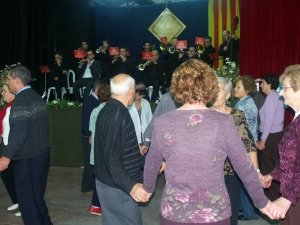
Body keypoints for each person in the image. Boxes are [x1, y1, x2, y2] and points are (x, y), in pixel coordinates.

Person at [141, 59, 282, 225]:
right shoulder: (223, 121)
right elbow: (244, 166)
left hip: (175, 211)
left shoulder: (163, 122)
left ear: (177, 86)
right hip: (214, 212)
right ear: (210, 86)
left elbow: (152, 165)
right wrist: (262, 203)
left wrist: (147, 189)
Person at [94, 74, 150, 225]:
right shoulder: (117, 115)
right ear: (131, 91)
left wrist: (151, 163)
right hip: (117, 188)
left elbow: (125, 150)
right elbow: (111, 158)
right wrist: (131, 187)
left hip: (112, 184)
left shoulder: (111, 109)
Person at [0, 66, 53, 225]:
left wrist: (6, 156)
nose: (6, 83)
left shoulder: (20, 102)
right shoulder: (37, 97)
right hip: (42, 156)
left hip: (27, 160)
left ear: (17, 81)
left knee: (28, 206)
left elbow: (19, 133)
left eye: (8, 79)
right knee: (36, 199)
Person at [212, 77, 263, 225]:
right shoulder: (202, 115)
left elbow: (248, 144)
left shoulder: (236, 115)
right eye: (212, 88)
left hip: (231, 173)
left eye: (219, 89)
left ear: (228, 95)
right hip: (207, 174)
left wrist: (257, 171)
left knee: (231, 213)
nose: (214, 92)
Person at [263, 65, 300, 225]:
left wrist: (287, 198)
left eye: (284, 88)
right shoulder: (296, 118)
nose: (280, 92)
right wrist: (271, 175)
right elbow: (292, 160)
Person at [233, 75, 260, 220]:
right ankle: (246, 211)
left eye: (238, 87)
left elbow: (242, 131)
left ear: (247, 89)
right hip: (247, 146)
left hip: (244, 148)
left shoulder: (244, 106)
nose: (235, 89)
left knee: (244, 182)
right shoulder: (245, 102)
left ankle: (249, 213)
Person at [257, 73, 284, 201]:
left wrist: (263, 139)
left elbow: (268, 121)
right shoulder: (275, 96)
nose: (261, 86)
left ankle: (271, 199)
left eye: (262, 83)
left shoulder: (272, 97)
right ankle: (274, 197)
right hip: (275, 135)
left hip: (270, 136)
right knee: (272, 166)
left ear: (269, 84)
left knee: (268, 167)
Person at [88, 83, 111, 216]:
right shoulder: (109, 111)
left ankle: (95, 204)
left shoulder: (95, 110)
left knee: (99, 179)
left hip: (95, 153)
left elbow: (91, 135)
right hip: (104, 152)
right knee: (104, 181)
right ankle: (97, 205)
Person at [0, 83, 21, 217]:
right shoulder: (5, 108)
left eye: (4, 91)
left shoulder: (16, 107)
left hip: (15, 148)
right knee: (6, 175)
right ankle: (17, 201)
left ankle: (23, 204)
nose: (2, 93)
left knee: (18, 178)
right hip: (6, 146)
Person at [80, 80, 101, 195]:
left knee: (92, 162)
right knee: (89, 163)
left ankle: (91, 185)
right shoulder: (90, 101)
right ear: (97, 89)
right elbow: (86, 122)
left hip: (92, 135)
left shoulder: (95, 100)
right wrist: (89, 135)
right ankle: (86, 187)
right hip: (88, 137)